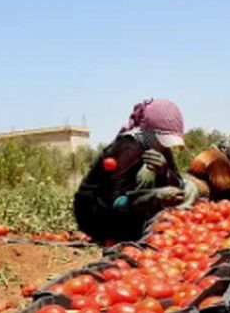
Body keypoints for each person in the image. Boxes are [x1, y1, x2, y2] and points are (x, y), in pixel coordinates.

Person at [73, 98, 197, 243]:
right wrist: (153, 196)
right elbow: (116, 202)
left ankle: (172, 225)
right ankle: (143, 233)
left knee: (190, 187)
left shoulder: (160, 148)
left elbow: (178, 184)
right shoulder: (126, 148)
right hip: (99, 214)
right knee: (148, 173)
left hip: (132, 205)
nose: (165, 146)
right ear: (149, 132)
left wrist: (165, 172)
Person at [185, 133, 230, 200]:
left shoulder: (213, 153)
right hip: (196, 195)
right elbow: (224, 191)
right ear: (229, 150)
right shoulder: (218, 158)